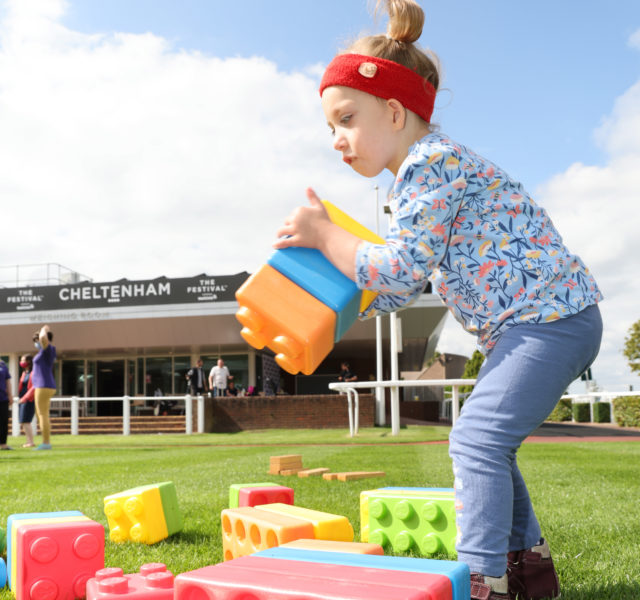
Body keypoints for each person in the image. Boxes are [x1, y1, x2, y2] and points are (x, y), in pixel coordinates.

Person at [273, 2, 603, 598]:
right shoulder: (419, 177)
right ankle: (527, 571)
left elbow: (399, 266)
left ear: (395, 112)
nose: (335, 140)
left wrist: (327, 235)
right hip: (539, 324)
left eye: (345, 119)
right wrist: (334, 304)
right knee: (489, 445)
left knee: (475, 439)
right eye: (330, 128)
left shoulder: (432, 163)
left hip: (549, 321)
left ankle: (481, 579)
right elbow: (399, 286)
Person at [31, 324, 57, 450]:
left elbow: (42, 338)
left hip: (43, 385)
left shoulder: (48, 349)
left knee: (42, 414)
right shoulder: (44, 351)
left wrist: (44, 329)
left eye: (36, 341)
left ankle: (46, 443)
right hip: (43, 385)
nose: (36, 343)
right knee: (42, 414)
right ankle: (45, 441)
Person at [17, 355, 36, 448]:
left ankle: (31, 442)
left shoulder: (34, 372)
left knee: (26, 420)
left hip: (29, 399)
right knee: (22, 421)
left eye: (23, 360)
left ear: (29, 361)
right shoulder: (24, 373)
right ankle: (28, 441)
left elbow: (34, 387)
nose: (21, 362)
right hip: (22, 399)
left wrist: (25, 397)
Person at [0, 358, 13, 450]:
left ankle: (3, 444)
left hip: (3, 398)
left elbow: (7, 381)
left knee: (4, 421)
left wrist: (10, 395)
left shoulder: (3, 365)